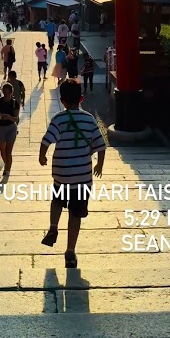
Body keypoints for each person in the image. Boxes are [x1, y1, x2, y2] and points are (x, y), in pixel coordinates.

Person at [38, 79, 106, 269]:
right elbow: (101, 145)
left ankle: (53, 228)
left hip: (62, 174)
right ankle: (70, 251)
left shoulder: (58, 119)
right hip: (82, 177)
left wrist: (42, 156)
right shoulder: (89, 119)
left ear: (62, 101)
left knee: (57, 200)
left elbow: (46, 140)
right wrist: (99, 165)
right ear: (81, 98)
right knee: (75, 214)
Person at [0, 82, 21, 179]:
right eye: (5, 92)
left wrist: (8, 116)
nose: (6, 94)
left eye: (8, 92)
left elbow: (15, 118)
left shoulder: (14, 103)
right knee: (2, 150)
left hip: (11, 127)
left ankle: (8, 169)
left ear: (11, 92)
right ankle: (6, 164)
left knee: (8, 151)